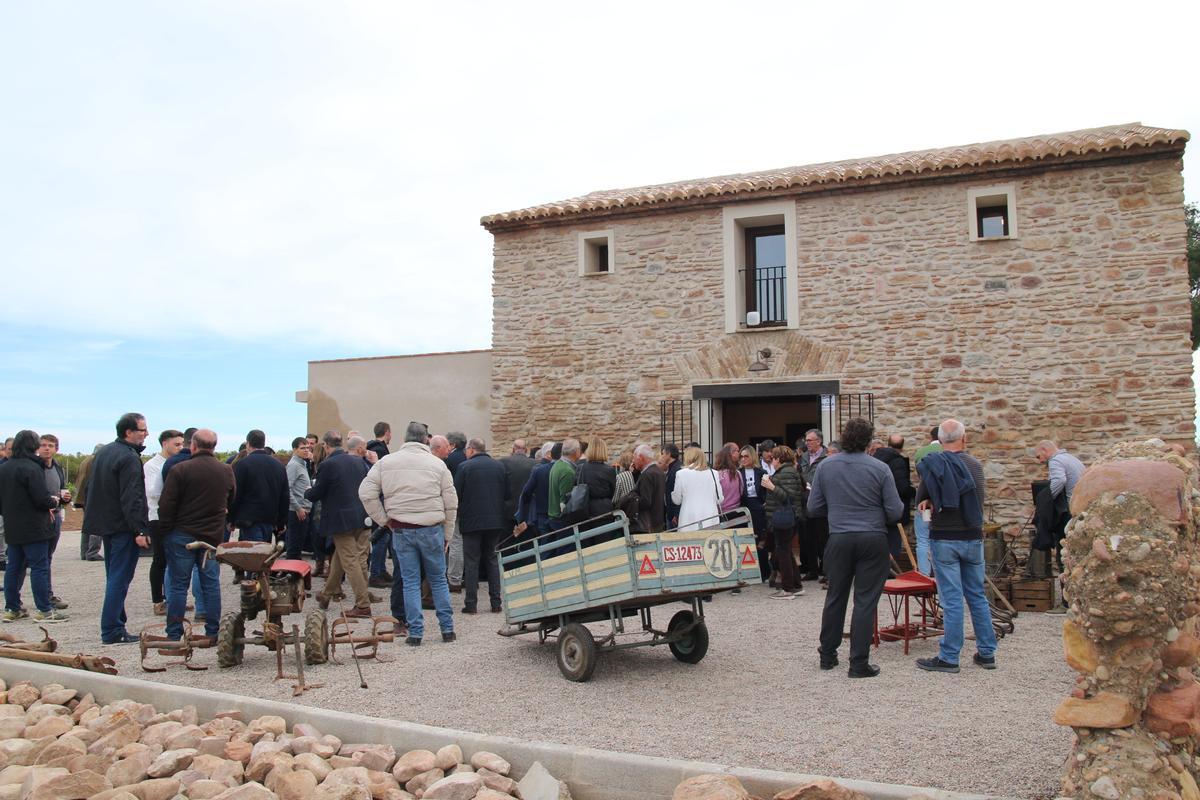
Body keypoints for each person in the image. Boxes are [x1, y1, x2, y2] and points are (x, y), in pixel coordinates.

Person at [809, 417, 903, 678]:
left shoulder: (826, 467)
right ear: (868, 440)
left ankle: (828, 655)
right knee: (865, 600)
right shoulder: (879, 468)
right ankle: (858, 662)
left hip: (839, 536)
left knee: (835, 596)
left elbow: (813, 507)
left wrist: (839, 510)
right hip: (872, 537)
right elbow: (895, 510)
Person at [360, 421, 457, 646]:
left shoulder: (386, 462)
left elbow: (366, 493)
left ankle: (415, 632)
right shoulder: (438, 464)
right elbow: (451, 503)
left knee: (410, 582)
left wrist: (385, 521)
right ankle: (447, 629)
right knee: (438, 580)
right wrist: (448, 535)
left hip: (402, 529)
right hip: (431, 528)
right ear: (426, 440)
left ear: (404, 439)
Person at [915, 419, 997, 673]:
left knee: (951, 599)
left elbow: (921, 502)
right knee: (976, 595)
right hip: (972, 535)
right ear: (965, 438)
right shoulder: (975, 466)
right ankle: (986, 652)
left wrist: (929, 500)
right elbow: (978, 498)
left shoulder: (934, 465)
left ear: (939, 440)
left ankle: (949, 656)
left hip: (945, 537)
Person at [156, 428, 234, 644]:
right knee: (210, 584)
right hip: (211, 537)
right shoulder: (225, 471)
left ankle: (174, 634)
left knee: (178, 585)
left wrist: (166, 530)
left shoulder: (180, 470)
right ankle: (212, 632)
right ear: (214, 447)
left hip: (182, 535)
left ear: (193, 446)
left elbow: (166, 505)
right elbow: (231, 501)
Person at [84, 412, 152, 644]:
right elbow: (132, 497)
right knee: (119, 579)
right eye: (142, 430)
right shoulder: (129, 457)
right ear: (128, 432)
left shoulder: (105, 453)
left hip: (107, 525)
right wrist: (140, 530)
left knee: (114, 575)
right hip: (123, 526)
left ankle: (116, 622)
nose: (146, 434)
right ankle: (112, 630)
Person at [0, 430, 68, 623]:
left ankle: (12, 608)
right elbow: (41, 499)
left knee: (14, 567)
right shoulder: (32, 468)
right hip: (35, 526)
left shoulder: (3, 468)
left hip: (12, 525)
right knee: (39, 567)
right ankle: (44, 609)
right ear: (33, 445)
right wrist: (54, 501)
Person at [305, 431, 372, 616]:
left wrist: (307, 492)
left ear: (326, 446)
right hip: (361, 515)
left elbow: (318, 492)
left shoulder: (328, 464)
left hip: (341, 519)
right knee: (340, 558)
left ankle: (363, 604)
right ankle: (327, 593)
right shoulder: (359, 461)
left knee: (349, 560)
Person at [454, 438, 508, 614]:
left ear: (471, 450)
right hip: (495, 520)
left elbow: (457, 494)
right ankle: (496, 602)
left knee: (471, 562)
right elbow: (506, 493)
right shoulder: (499, 466)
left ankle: (471, 603)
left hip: (471, 521)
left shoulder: (464, 467)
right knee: (492, 560)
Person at [144, 429, 185, 615]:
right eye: (177, 444)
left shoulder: (176, 464)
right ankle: (157, 600)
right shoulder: (152, 465)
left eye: (182, 444)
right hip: (157, 517)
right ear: (164, 443)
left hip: (174, 517)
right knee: (160, 559)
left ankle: (172, 598)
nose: (180, 448)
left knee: (174, 559)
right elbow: (152, 493)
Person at [230, 429, 288, 544]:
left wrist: (231, 519)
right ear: (263, 443)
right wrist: (281, 522)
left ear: (248, 444)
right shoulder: (279, 466)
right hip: (270, 518)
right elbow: (285, 495)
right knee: (263, 555)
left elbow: (236, 494)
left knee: (252, 557)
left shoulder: (243, 464)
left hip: (249, 519)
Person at [761, 446, 804, 598]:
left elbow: (788, 497)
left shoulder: (786, 472)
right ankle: (797, 585)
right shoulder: (788, 471)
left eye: (773, 458)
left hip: (785, 517)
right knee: (786, 551)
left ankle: (787, 588)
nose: (771, 460)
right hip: (787, 516)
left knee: (783, 552)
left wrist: (771, 486)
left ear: (778, 459)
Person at [37, 434, 71, 610]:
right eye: (43, 445)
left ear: (56, 449)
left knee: (48, 558)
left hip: (55, 515)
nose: (46, 448)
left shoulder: (57, 467)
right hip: (39, 517)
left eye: (50, 445)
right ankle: (16, 602)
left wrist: (65, 497)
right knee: (37, 561)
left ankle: (47, 594)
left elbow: (61, 490)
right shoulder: (34, 468)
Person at [872, 433, 915, 558]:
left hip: (876, 511)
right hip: (892, 511)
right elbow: (902, 488)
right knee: (893, 546)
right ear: (902, 446)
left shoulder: (874, 459)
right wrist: (914, 492)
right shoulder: (897, 461)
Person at [910, 426, 942, 575]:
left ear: (931, 437)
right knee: (941, 539)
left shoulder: (921, 452)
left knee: (923, 539)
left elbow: (920, 476)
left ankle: (924, 573)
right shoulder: (948, 451)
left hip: (924, 502)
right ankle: (939, 572)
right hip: (942, 503)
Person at [798, 429, 829, 581]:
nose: (807, 443)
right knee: (807, 539)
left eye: (810, 440)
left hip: (821, 504)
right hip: (805, 502)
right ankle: (812, 570)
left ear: (819, 441)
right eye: (806, 440)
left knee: (823, 538)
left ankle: (826, 569)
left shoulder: (827, 457)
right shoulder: (803, 457)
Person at [671, 446, 723, 532]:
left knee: (691, 543)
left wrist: (672, 494)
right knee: (708, 543)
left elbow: (677, 500)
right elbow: (719, 499)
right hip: (710, 517)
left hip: (688, 519)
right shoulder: (714, 473)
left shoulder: (681, 474)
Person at [738, 446, 771, 583]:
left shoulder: (761, 472)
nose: (743, 459)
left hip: (758, 507)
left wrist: (765, 503)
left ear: (752, 456)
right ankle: (747, 572)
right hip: (743, 506)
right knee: (744, 539)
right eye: (741, 456)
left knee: (760, 539)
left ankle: (764, 572)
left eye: (746, 456)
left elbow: (767, 489)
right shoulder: (738, 472)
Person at [515, 443, 555, 537]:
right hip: (552, 512)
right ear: (549, 454)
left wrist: (522, 515)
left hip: (541, 513)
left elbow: (526, 492)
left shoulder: (538, 469)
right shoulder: (543, 468)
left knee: (545, 543)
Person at [73, 444, 104, 561]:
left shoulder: (85, 461)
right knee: (97, 524)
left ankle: (84, 551)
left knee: (87, 525)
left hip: (83, 497)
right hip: (93, 496)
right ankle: (92, 552)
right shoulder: (96, 461)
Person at [285, 436, 314, 561]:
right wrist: (298, 508)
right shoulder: (294, 465)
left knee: (298, 546)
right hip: (297, 512)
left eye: (308, 448)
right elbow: (288, 489)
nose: (306, 450)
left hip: (304, 509)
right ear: (294, 449)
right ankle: (290, 575)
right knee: (294, 547)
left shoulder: (302, 463)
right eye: (303, 448)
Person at [576, 435, 616, 521]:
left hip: (584, 508)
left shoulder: (581, 467)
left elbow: (576, 486)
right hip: (604, 510)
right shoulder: (610, 470)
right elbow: (612, 492)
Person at [500, 440, 537, 528]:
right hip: (529, 510)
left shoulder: (502, 462)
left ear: (513, 449)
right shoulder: (535, 463)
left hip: (508, 511)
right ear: (526, 450)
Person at [631, 444, 666, 533]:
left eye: (634, 458)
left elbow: (645, 501)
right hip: (658, 521)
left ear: (641, 457)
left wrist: (632, 499)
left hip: (648, 524)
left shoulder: (647, 474)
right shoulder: (659, 471)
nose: (633, 461)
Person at [548, 438, 582, 525]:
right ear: (576, 451)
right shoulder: (567, 471)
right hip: (562, 519)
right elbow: (565, 501)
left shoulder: (558, 464)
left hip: (554, 516)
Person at [715, 443, 742, 514]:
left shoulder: (716, 474)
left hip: (720, 513)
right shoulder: (737, 474)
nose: (740, 453)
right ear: (732, 453)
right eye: (738, 451)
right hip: (736, 512)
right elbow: (741, 492)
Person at [661, 444, 682, 528]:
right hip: (671, 513)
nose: (661, 456)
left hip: (674, 515)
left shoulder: (677, 469)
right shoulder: (672, 467)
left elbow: (679, 492)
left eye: (663, 454)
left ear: (668, 454)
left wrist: (676, 514)